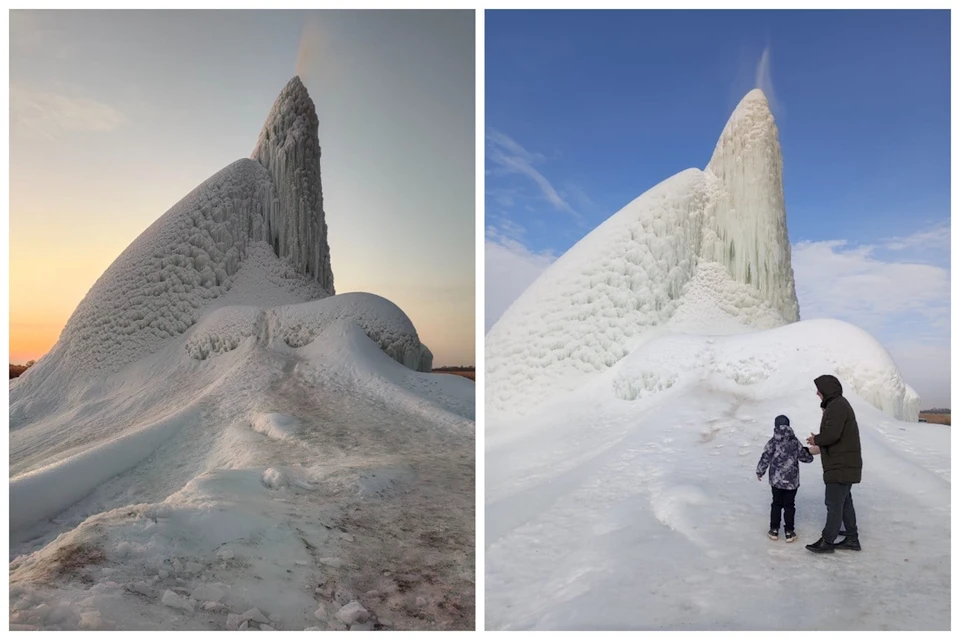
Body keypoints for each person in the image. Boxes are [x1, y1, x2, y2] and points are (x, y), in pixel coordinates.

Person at [805, 374, 863, 554]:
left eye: (819, 390)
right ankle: (852, 538)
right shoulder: (839, 404)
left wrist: (816, 440)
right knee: (844, 502)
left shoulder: (836, 406)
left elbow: (832, 435)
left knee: (833, 503)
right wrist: (819, 444)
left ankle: (827, 541)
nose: (817, 393)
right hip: (845, 463)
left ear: (826, 390)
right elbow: (836, 436)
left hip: (840, 465)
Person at [756, 414, 816, 542]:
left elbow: (765, 457)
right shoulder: (794, 442)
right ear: (789, 426)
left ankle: (774, 529)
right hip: (791, 482)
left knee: (776, 503)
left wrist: (760, 471)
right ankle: (789, 531)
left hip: (776, 481)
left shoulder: (773, 442)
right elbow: (805, 457)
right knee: (789, 505)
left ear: (775, 426)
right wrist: (810, 456)